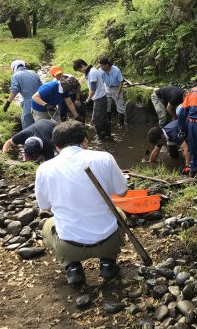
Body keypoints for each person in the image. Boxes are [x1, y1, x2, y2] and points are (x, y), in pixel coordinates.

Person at [35, 120, 128, 285]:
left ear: (56, 146)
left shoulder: (44, 169)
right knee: (119, 214)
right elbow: (122, 192)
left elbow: (45, 206)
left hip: (70, 247)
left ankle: (72, 266)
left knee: (47, 225)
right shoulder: (105, 158)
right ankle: (108, 262)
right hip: (108, 241)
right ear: (85, 140)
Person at [73, 59, 110, 140]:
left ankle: (101, 138)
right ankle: (107, 134)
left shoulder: (92, 72)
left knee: (95, 119)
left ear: (83, 66)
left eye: (80, 70)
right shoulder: (90, 71)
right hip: (100, 96)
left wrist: (87, 100)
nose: (80, 72)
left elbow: (92, 89)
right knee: (103, 118)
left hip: (99, 97)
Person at [3, 60, 41, 129]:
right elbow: (41, 86)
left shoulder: (15, 75)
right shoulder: (33, 73)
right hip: (41, 101)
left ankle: (29, 139)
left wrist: (8, 103)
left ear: (14, 68)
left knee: (28, 126)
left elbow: (14, 91)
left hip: (29, 103)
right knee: (40, 125)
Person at [98, 57, 125, 127]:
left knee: (120, 106)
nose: (100, 67)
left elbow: (121, 81)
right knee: (107, 105)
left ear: (107, 65)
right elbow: (100, 81)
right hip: (107, 87)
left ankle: (120, 124)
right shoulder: (100, 71)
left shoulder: (116, 70)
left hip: (117, 88)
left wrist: (118, 93)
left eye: (101, 65)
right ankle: (108, 122)